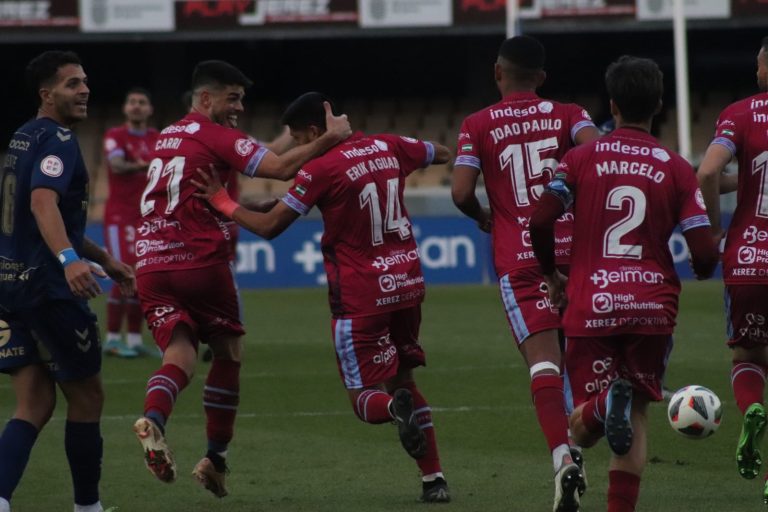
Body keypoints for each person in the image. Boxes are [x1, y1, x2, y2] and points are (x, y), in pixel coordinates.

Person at [191, 91, 453, 502]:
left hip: (360, 296)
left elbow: (269, 228)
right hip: (406, 286)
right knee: (404, 378)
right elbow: (441, 152)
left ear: (316, 132)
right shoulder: (388, 145)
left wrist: (222, 201)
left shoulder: (320, 168)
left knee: (366, 397)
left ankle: (394, 411)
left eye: (298, 139)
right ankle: (434, 480)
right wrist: (410, 151)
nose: (299, 148)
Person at [132, 61, 351, 498]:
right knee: (229, 352)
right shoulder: (214, 134)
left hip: (151, 265)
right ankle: (215, 459)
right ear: (206, 99)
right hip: (200, 261)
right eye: (232, 98)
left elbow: (252, 158)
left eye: (242, 98)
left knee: (179, 353)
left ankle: (153, 419)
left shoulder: (167, 138)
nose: (239, 106)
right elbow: (281, 167)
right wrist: (331, 137)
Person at [529, 55, 719, 512]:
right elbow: (705, 250)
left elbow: (540, 220)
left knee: (580, 431)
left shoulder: (578, 158)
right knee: (635, 411)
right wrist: (704, 264)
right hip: (652, 307)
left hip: (591, 303)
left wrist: (551, 273)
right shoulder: (676, 167)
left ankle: (598, 407)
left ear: (611, 105)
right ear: (658, 106)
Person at [451, 35, 599, 510]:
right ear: (542, 79)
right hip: (576, 252)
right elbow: (595, 156)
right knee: (580, 360)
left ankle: (563, 457)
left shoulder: (476, 125)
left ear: (498, 73)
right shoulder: (571, 114)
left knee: (543, 364)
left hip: (521, 257)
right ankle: (594, 425)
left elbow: (458, 193)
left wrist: (481, 216)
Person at [0, 51, 135, 512]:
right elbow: (43, 205)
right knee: (88, 395)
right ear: (47, 94)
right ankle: (87, 507)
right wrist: (69, 261)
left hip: (9, 283)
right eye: (73, 84)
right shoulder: (59, 139)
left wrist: (102, 258)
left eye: (85, 82)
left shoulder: (22, 136)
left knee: (33, 402)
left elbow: (45, 217)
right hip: (46, 286)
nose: (84, 91)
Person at [697, 36, 768, 502]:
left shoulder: (740, 114)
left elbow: (706, 172)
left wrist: (716, 230)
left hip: (750, 257)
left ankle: (752, 408)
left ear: (764, 67)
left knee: (747, 356)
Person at [102, 87, 159, 358]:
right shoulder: (115, 136)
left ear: (149, 109)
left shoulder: (156, 138)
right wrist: (141, 166)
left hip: (144, 217)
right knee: (121, 271)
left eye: (142, 102)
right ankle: (113, 339)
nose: (137, 106)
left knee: (142, 275)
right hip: (119, 216)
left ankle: (135, 340)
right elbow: (116, 166)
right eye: (132, 101)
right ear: (126, 108)